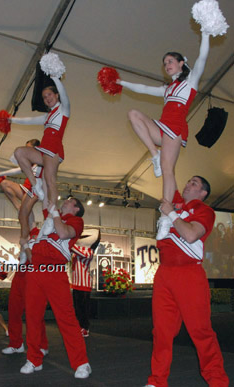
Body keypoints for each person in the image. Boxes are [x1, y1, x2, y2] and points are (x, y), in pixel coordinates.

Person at [117, 31, 210, 240]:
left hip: (175, 129)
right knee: (133, 114)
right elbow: (142, 88)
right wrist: (121, 83)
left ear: (181, 63)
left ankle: (167, 217)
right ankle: (154, 154)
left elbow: (203, 57)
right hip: (161, 126)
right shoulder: (168, 89)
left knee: (168, 170)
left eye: (170, 61)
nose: (167, 65)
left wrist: (205, 32)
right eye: (164, 63)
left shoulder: (191, 81)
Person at [145, 176, 229, 387]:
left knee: (200, 331)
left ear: (203, 193)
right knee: (162, 332)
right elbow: (169, 173)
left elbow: (191, 235)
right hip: (164, 273)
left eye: (195, 183)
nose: (188, 184)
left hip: (189, 274)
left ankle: (217, 381)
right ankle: (157, 380)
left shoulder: (204, 211)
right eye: (188, 181)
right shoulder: (177, 203)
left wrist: (172, 214)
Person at [21, 197, 92, 379]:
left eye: (69, 201)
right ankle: (34, 359)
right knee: (32, 317)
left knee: (66, 318)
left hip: (55, 270)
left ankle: (81, 362)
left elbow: (62, 233)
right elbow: (47, 193)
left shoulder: (76, 221)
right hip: (36, 269)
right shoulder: (53, 216)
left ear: (76, 208)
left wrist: (54, 213)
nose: (64, 202)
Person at [13, 76, 70, 211]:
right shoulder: (47, 116)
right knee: (19, 152)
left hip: (54, 150)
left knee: (50, 182)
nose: (47, 98)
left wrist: (56, 78)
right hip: (43, 150)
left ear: (57, 95)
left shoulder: (64, 110)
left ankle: (54, 215)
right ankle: (35, 184)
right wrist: (10, 119)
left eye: (49, 95)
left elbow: (64, 94)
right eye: (44, 97)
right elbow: (29, 120)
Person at [1, 227, 48, 356]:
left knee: (35, 315)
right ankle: (15, 344)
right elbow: (23, 212)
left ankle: (42, 345)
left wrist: (25, 245)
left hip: (33, 277)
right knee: (14, 312)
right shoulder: (26, 233)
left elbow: (34, 259)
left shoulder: (40, 235)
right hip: (20, 276)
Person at [71, 229, 101, 338]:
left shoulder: (89, 252)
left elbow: (73, 248)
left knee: (83, 308)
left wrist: (69, 240)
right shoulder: (79, 250)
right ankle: (80, 326)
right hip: (76, 284)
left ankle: (85, 328)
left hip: (84, 285)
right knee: (77, 307)